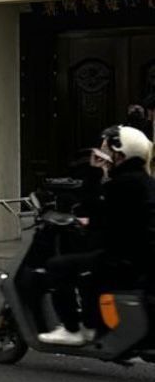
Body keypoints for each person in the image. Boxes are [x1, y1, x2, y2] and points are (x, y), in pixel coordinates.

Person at [39, 124, 155, 344]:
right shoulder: (143, 181)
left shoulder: (122, 184)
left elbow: (94, 212)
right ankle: (93, 324)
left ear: (120, 153)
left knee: (59, 266)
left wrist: (94, 174)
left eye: (107, 150)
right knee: (88, 268)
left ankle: (73, 329)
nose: (103, 155)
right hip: (140, 256)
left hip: (124, 258)